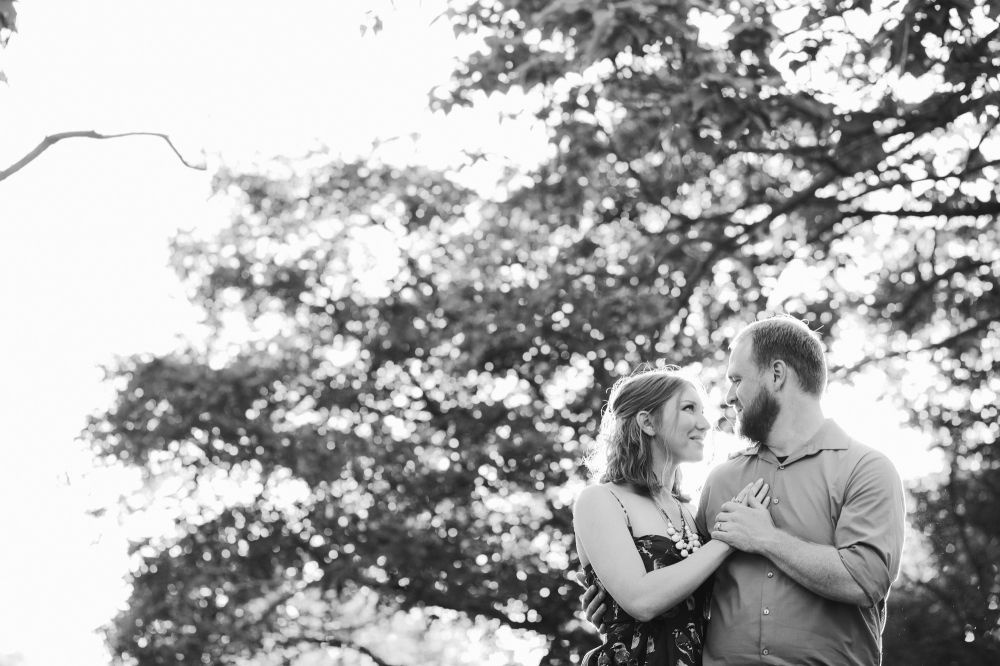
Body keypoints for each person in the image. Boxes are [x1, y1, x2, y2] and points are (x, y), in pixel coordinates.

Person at [581, 315, 906, 666]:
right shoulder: (720, 481)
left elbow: (865, 582)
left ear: (776, 375)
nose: (729, 397)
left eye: (736, 380)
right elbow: (687, 585)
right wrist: (617, 610)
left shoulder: (867, 469)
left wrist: (766, 539)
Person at [574, 366, 770, 666]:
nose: (705, 423)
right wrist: (729, 539)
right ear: (648, 422)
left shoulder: (693, 512)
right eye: (688, 408)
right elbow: (641, 601)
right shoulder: (600, 500)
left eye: (702, 411)